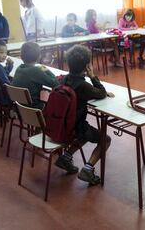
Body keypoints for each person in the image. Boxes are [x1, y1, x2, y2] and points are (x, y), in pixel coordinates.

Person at [55, 45, 114, 185]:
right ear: (87, 66)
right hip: (76, 127)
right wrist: (92, 76)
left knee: (86, 132)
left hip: (63, 124)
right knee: (105, 139)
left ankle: (66, 157)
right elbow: (100, 93)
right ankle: (88, 169)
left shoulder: (64, 79)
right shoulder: (83, 85)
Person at [12, 42, 59, 109]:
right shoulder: (36, 71)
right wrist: (46, 70)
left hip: (20, 108)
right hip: (36, 109)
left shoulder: (19, 69)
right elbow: (56, 84)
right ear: (39, 57)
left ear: (21, 56)